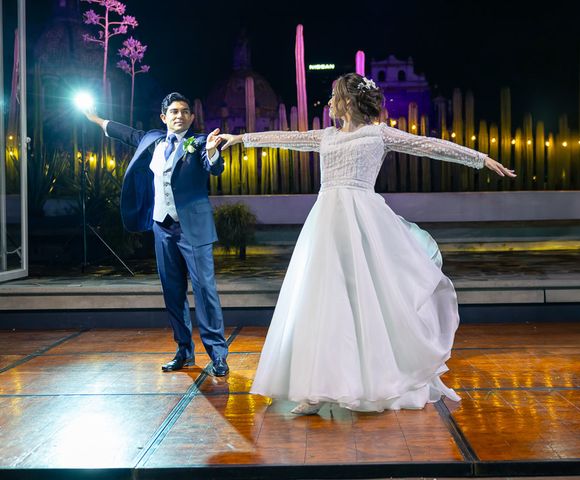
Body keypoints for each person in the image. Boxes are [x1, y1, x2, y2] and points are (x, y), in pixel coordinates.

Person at [208, 73, 515, 414]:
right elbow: (286, 138)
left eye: (333, 97)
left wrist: (478, 158)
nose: (328, 103)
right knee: (322, 302)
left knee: (364, 302)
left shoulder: (378, 134)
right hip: (326, 225)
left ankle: (367, 381)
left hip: (364, 223)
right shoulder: (326, 136)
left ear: (349, 101)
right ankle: (315, 390)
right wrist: (241, 139)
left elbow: (429, 145)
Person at [84, 92, 230, 376]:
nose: (180, 115)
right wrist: (94, 119)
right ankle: (184, 351)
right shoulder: (152, 140)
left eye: (185, 111)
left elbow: (215, 166)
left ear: (191, 116)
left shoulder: (199, 142)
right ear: (164, 117)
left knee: (205, 292)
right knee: (172, 292)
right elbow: (124, 133)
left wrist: (213, 151)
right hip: (162, 227)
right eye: (174, 111)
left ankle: (218, 354)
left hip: (194, 230)